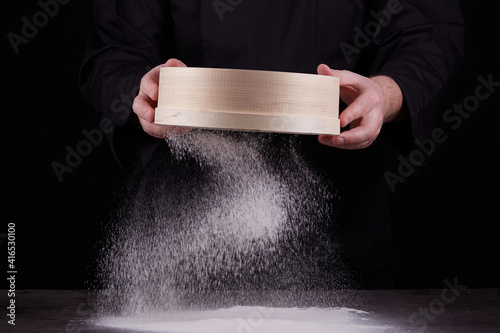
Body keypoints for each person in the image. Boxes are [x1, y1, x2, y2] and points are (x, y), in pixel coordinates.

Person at [80, 0, 464, 289]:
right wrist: (142, 91)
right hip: (184, 231)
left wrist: (385, 93)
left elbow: (430, 31)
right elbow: (114, 50)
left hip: (343, 224)